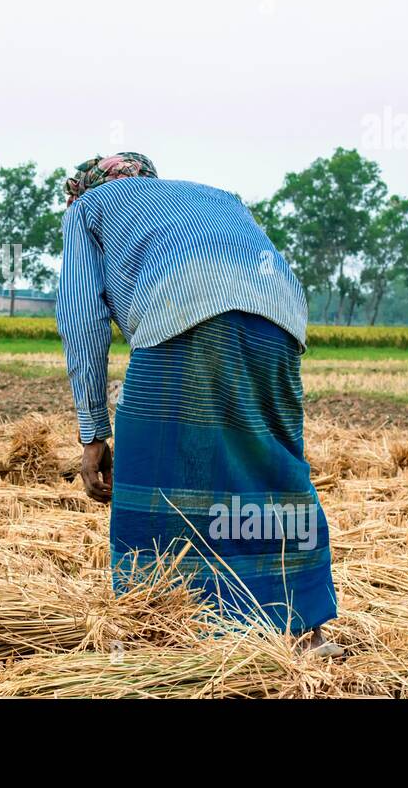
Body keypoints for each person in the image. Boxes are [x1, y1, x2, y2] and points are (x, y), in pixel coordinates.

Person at [55, 153, 339, 652]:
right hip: (280, 314)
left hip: (182, 307)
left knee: (154, 469)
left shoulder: (88, 207)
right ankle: (301, 627)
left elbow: (82, 318)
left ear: (83, 188)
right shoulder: (217, 198)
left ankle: (165, 627)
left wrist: (93, 432)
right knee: (271, 464)